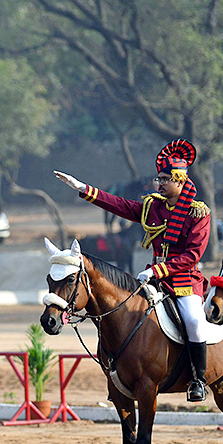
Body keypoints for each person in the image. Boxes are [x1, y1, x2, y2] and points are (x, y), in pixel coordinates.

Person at [54, 139, 211, 402]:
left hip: (183, 280)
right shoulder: (154, 207)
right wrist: (83, 188)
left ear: (179, 180)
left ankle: (198, 379)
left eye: (164, 179)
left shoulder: (197, 213)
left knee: (194, 323)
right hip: (153, 279)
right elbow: (120, 205)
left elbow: (192, 255)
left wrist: (158, 271)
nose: (158, 184)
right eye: (158, 178)